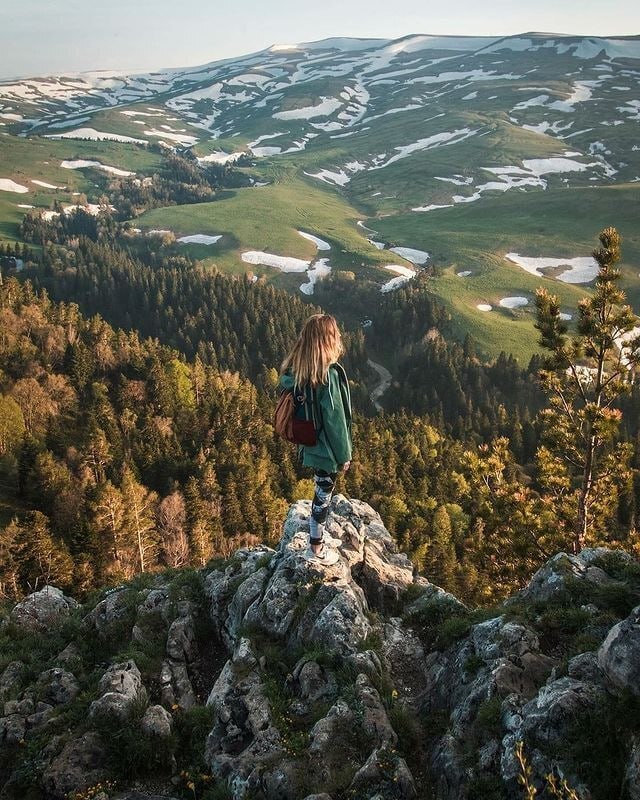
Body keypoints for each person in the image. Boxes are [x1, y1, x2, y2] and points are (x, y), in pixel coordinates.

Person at [280, 314, 352, 564]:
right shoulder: (327, 376)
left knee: (321, 490)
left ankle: (315, 540)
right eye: (336, 334)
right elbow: (336, 422)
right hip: (326, 449)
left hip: (307, 440)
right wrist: (344, 456)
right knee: (323, 494)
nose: (340, 337)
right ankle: (316, 547)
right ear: (328, 340)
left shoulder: (298, 373)